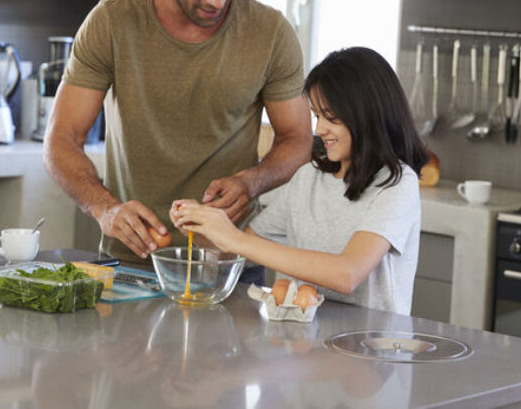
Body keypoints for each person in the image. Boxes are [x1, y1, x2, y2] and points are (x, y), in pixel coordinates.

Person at [43, 0, 312, 274]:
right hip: (131, 262)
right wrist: (104, 209)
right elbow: (60, 140)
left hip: (231, 263)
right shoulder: (111, 24)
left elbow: (298, 138)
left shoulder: (271, 32)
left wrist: (251, 181)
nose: (218, 0)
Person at [171, 46, 428, 314]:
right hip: (305, 345)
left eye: (331, 118)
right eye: (317, 115)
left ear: (368, 114)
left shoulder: (397, 184)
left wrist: (233, 237)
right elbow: (236, 253)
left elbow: (347, 274)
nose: (319, 129)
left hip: (370, 348)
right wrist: (201, 229)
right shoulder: (309, 178)